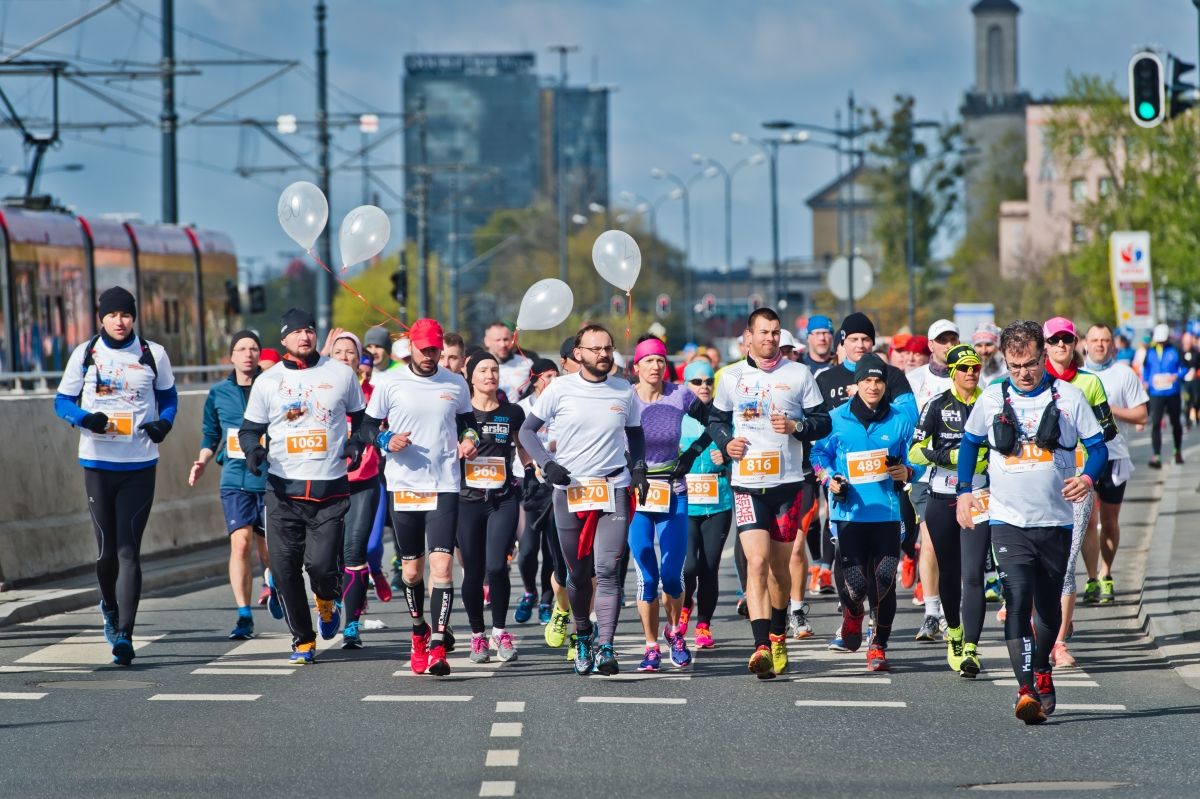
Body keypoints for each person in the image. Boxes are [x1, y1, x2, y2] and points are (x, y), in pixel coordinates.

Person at [956, 320, 1107, 725]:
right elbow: (970, 443)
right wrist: (965, 491)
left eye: (1031, 363)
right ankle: (1025, 689)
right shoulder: (990, 398)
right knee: (1017, 599)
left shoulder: (1069, 398)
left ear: (1044, 356)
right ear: (1006, 361)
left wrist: (1088, 478)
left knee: (1047, 607)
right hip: (1008, 520)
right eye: (1015, 364)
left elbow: (1097, 449)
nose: (1024, 372)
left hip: (1056, 520)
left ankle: (1042, 668)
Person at [55, 287, 178, 666]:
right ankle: (108, 605)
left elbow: (170, 398)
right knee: (106, 550)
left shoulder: (152, 354)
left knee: (128, 550)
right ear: (102, 318)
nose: (120, 321)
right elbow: (62, 401)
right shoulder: (86, 353)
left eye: (126, 315)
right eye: (113, 315)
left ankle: (124, 634)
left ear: (133, 317)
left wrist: (164, 425)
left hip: (139, 465)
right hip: (97, 464)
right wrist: (84, 418)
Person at [238, 308, 365, 664]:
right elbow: (250, 429)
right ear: (284, 340)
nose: (305, 336)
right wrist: (253, 451)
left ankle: (327, 600)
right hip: (282, 491)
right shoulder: (268, 381)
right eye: (296, 332)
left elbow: (363, 419)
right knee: (284, 567)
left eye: (309, 330)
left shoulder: (341, 374)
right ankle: (303, 640)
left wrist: (356, 445)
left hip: (329, 490)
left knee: (322, 568)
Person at [709, 307, 830, 679]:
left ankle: (778, 635)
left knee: (780, 570)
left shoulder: (799, 374)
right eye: (764, 333)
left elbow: (822, 422)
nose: (770, 339)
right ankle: (761, 644)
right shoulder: (730, 377)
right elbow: (714, 420)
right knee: (757, 563)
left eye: (776, 333)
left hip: (788, 484)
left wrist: (797, 426)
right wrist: (726, 442)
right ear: (749, 335)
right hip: (746, 484)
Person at [518, 324, 645, 676]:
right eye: (595, 349)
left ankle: (606, 645)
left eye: (608, 348)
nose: (603, 354)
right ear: (578, 354)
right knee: (579, 572)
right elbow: (527, 431)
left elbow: (635, 433)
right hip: (570, 490)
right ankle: (583, 634)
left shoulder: (623, 390)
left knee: (608, 570)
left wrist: (639, 468)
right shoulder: (559, 389)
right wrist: (547, 465)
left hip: (613, 487)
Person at [359, 318, 478, 676]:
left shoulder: (455, 383)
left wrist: (470, 439)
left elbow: (468, 422)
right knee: (411, 573)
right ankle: (418, 632)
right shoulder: (389, 382)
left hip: (443, 483)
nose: (430, 356)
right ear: (410, 346)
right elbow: (366, 426)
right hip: (404, 486)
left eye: (435, 350)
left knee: (441, 567)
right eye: (424, 349)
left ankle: (440, 642)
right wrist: (384, 440)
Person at [815, 313, 918, 651]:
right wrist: (830, 479)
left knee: (884, 582)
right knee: (855, 585)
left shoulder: (900, 421)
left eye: (879, 381)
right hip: (849, 515)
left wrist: (908, 471)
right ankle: (853, 617)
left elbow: (916, 454)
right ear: (856, 383)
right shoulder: (836, 420)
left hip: (887, 514)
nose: (873, 386)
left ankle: (879, 646)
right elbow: (818, 457)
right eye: (867, 381)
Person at [1042, 316, 1120, 669]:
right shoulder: (1032, 380)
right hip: (1038, 482)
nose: (1061, 345)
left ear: (1076, 345)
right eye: (1055, 339)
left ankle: (1057, 643)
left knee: (1067, 560)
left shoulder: (1089, 383)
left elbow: (1108, 432)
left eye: (1067, 340)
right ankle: (1047, 621)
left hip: (1077, 483)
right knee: (1038, 563)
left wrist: (1088, 468)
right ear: (1045, 344)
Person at [908, 344, 990, 676]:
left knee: (973, 573)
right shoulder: (936, 405)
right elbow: (913, 453)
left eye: (976, 368)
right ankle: (953, 631)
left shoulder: (991, 403)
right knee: (949, 570)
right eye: (965, 368)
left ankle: (970, 646)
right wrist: (949, 457)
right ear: (953, 372)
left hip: (980, 496)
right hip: (941, 496)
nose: (971, 373)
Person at [627, 336, 707, 671]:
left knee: (672, 576)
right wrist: (631, 467)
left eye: (660, 359)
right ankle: (650, 645)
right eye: (649, 360)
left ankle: (675, 632)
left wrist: (691, 454)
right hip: (636, 495)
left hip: (673, 491)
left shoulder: (681, 394)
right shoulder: (625, 398)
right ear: (637, 367)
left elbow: (715, 422)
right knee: (647, 574)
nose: (656, 366)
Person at [189, 330, 271, 640]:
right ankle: (244, 614)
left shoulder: (273, 387)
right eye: (241, 348)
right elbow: (211, 434)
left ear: (259, 354)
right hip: (235, 478)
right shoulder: (218, 393)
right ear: (232, 356)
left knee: (269, 551)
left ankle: (273, 584)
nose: (248, 353)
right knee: (241, 543)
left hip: (270, 479)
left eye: (253, 348)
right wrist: (202, 460)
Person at [453, 351, 527, 663]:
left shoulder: (512, 412)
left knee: (497, 566)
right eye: (482, 370)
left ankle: (500, 630)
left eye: (494, 370)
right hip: (466, 501)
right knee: (473, 571)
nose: (489, 375)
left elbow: (524, 447)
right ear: (470, 376)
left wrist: (537, 467)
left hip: (503, 499)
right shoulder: (459, 414)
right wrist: (458, 450)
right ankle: (477, 635)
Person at [1081, 323, 1148, 606]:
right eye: (1094, 340)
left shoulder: (1123, 374)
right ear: (1085, 343)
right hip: (1082, 458)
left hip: (1114, 456)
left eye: (1105, 340)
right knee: (1087, 522)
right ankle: (1091, 579)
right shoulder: (1077, 374)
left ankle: (1106, 573)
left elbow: (1142, 415)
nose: (1099, 345)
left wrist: (1107, 408)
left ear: (1113, 345)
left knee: (1108, 522)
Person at [325, 331, 384, 649]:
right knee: (326, 556)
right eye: (339, 351)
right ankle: (330, 603)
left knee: (354, 551)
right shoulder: (318, 391)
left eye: (351, 352)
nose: (345, 356)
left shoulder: (373, 394)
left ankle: (352, 624)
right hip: (327, 481)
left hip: (364, 482)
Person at [907, 319, 960, 642]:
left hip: (964, 478)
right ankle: (931, 612)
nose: (948, 345)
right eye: (943, 340)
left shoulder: (969, 379)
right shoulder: (914, 380)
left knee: (958, 548)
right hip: (926, 476)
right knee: (930, 543)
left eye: (953, 339)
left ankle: (956, 610)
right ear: (931, 346)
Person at [513, 358, 570, 636]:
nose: (553, 380)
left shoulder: (563, 403)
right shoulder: (523, 408)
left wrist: (552, 446)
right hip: (530, 483)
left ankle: (547, 602)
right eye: (548, 375)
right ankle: (528, 592)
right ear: (535, 379)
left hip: (557, 483)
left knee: (553, 550)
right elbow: (521, 439)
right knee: (526, 550)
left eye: (556, 375)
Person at [679, 359, 732, 649]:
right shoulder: (679, 415)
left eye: (708, 382)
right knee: (688, 566)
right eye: (696, 382)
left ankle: (703, 624)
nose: (703, 387)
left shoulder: (724, 416)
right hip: (685, 504)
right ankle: (685, 604)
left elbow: (742, 450)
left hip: (717, 503)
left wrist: (728, 457)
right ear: (686, 385)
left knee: (709, 567)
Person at [1142, 323, 1187, 468]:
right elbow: (1146, 369)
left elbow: (1185, 368)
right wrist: (1146, 382)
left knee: (1175, 422)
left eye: (1163, 340)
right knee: (1155, 423)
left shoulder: (1175, 350)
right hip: (1156, 393)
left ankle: (1177, 451)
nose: (1161, 342)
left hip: (1173, 392)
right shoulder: (1150, 351)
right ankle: (1157, 455)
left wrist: (1176, 376)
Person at [484, 321, 532, 400]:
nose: (503, 344)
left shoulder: (527, 364)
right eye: (498, 340)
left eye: (506, 339)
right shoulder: (477, 366)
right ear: (487, 341)